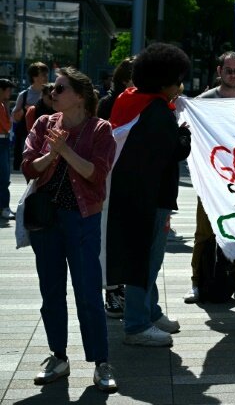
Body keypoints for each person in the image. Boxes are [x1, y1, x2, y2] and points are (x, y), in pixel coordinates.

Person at [22, 67, 118, 392]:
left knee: (88, 291)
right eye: (53, 88)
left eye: (60, 88)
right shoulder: (43, 124)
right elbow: (27, 166)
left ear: (79, 96)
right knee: (51, 291)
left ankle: (101, 362)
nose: (53, 92)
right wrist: (52, 153)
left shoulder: (100, 130)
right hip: (46, 220)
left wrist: (65, 151)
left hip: (82, 218)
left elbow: (96, 173)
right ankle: (58, 356)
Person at [106, 43, 191, 347]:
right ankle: (137, 324)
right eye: (176, 78)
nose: (179, 85)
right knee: (146, 262)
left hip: (128, 195)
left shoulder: (129, 101)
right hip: (151, 199)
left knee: (144, 258)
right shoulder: (156, 111)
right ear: (163, 79)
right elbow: (173, 152)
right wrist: (184, 135)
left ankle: (150, 312)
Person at [183, 51, 235, 305]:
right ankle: (196, 282)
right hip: (212, 180)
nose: (233, 75)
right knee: (204, 232)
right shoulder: (204, 101)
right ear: (219, 71)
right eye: (229, 70)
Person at [96, 57, 135, 320]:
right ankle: (111, 291)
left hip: (124, 179)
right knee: (108, 236)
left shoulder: (129, 100)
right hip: (110, 180)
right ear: (126, 79)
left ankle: (118, 289)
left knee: (120, 237)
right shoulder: (111, 102)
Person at [12, 61, 49, 170]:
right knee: (29, 163)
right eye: (43, 75)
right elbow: (15, 118)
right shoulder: (24, 95)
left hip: (46, 134)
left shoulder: (51, 93)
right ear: (35, 77)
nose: (46, 77)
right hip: (28, 134)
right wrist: (26, 109)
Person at [0, 79, 14, 220]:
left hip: (3, 140)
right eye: (8, 89)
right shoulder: (1, 106)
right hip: (1, 139)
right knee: (4, 177)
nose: (11, 92)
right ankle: (4, 207)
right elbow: (7, 125)